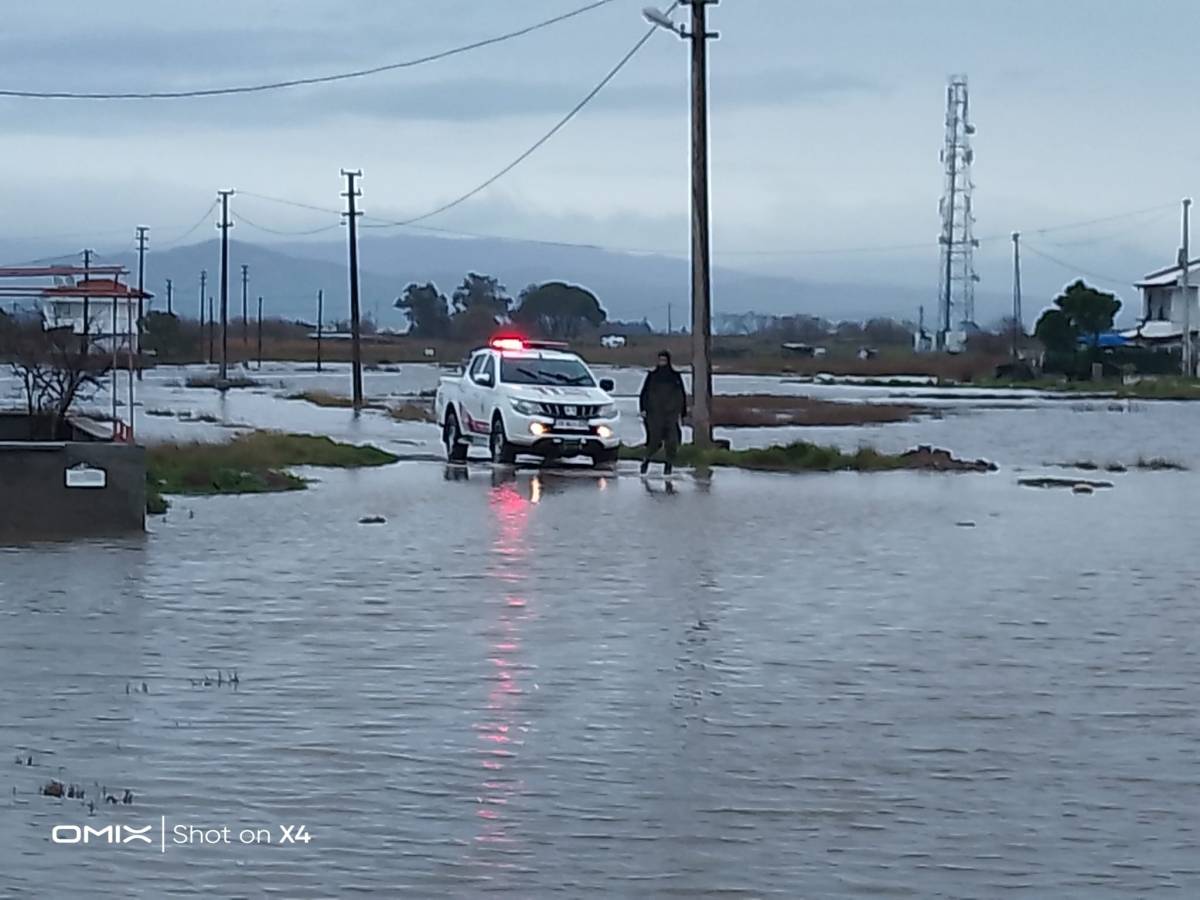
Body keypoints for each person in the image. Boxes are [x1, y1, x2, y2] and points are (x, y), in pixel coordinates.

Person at [638, 350, 687, 475]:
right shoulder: (652, 376)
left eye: (664, 360)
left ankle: (668, 466)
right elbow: (644, 394)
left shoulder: (675, 377)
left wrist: (683, 412)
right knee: (655, 442)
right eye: (660, 360)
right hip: (655, 414)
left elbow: (681, 394)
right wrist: (643, 409)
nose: (662, 363)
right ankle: (646, 461)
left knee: (672, 442)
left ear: (668, 361)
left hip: (671, 415)